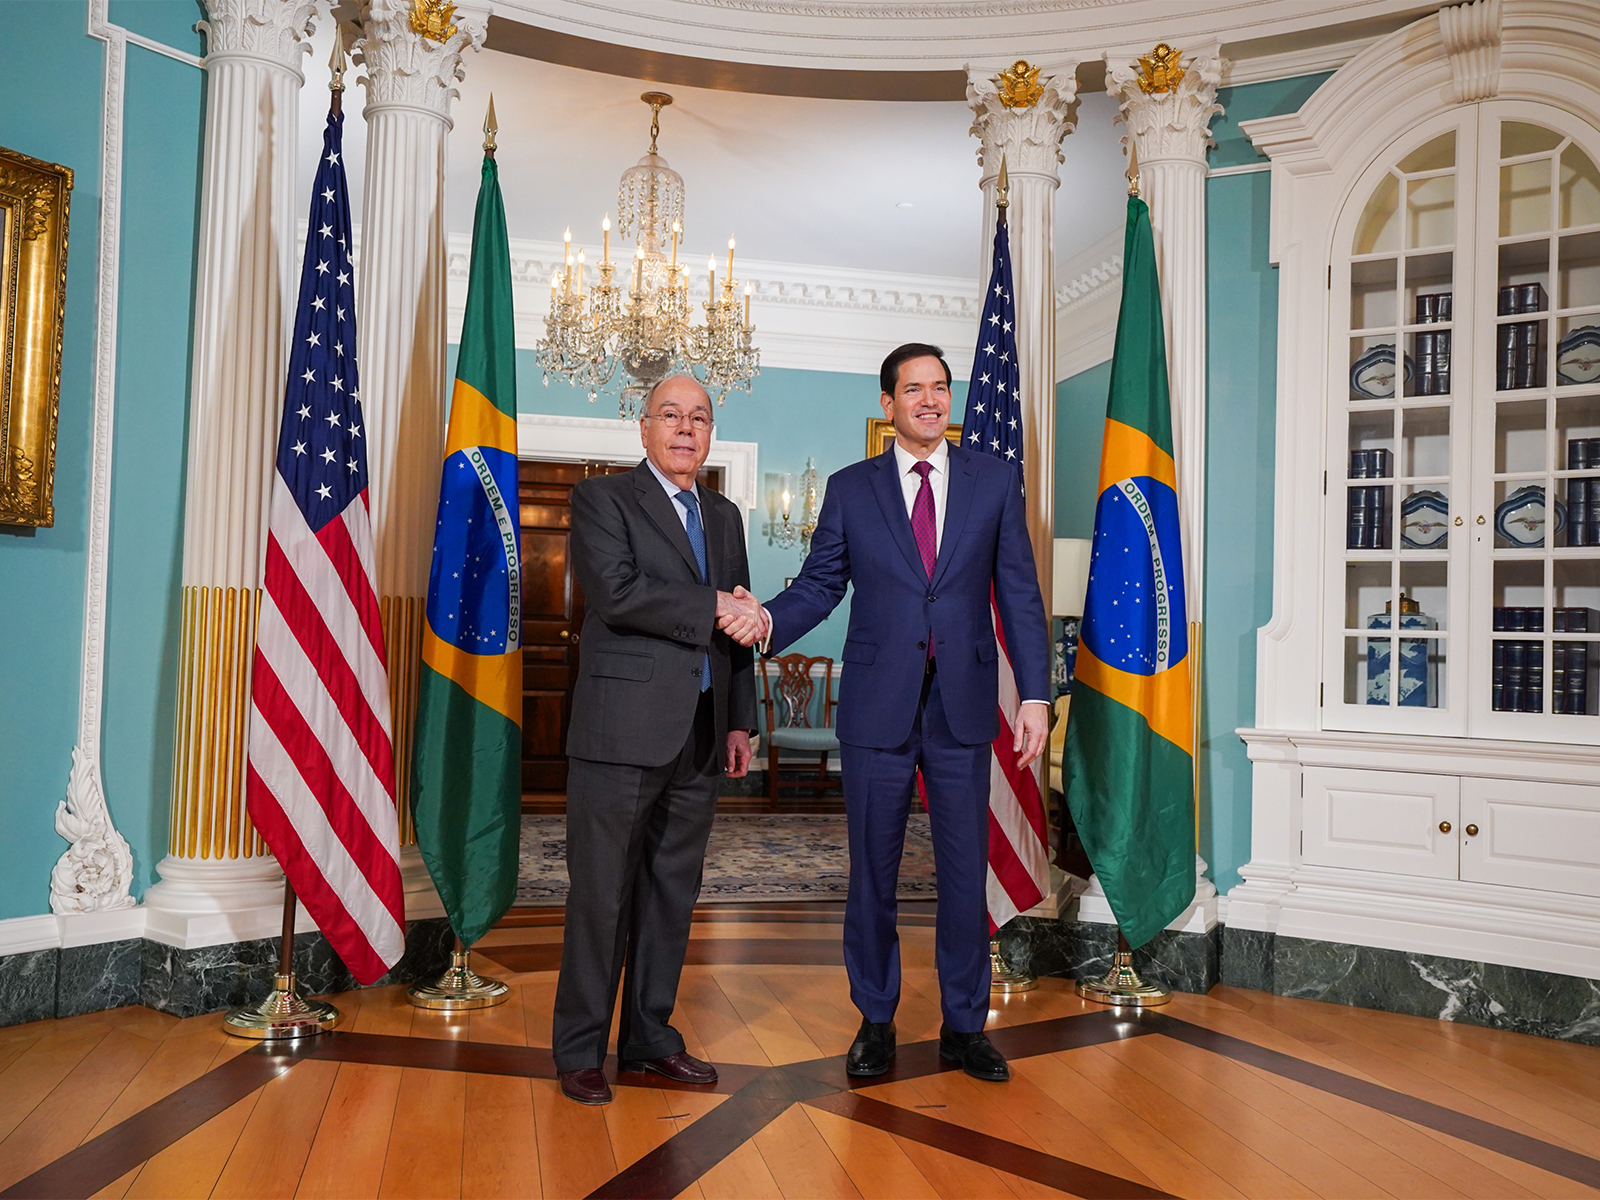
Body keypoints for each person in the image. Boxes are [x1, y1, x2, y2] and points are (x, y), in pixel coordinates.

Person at [726, 343, 1050, 1082]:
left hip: (963, 708)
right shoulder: (851, 487)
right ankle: (875, 1020)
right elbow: (820, 584)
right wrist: (768, 620)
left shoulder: (993, 482)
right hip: (877, 706)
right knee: (872, 871)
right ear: (888, 404)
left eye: (940, 388)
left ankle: (965, 1026)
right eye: (914, 390)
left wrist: (1034, 695)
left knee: (965, 874)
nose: (931, 400)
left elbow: (1021, 596)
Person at [552, 375, 765, 1106]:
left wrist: (741, 719)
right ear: (643, 430)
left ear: (711, 435)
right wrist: (712, 602)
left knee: (672, 895)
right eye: (670, 416)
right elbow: (618, 592)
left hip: (702, 735)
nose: (685, 429)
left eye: (699, 418)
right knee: (602, 896)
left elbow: (736, 631)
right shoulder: (603, 500)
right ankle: (581, 1051)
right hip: (620, 733)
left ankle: (649, 1037)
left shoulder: (725, 514)